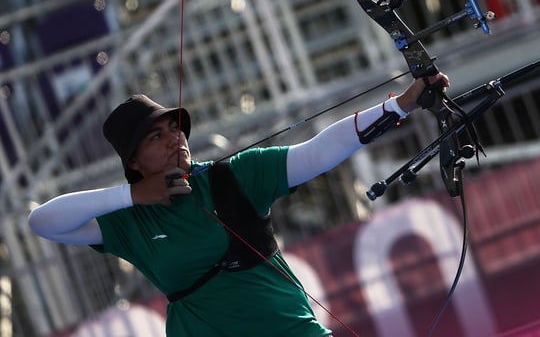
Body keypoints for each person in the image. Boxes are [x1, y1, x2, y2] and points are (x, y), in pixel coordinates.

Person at [28, 73, 449, 337]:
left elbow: (319, 152)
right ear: (134, 162)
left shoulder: (233, 176)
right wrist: (134, 196)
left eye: (175, 128)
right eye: (157, 136)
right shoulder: (129, 219)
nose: (176, 137)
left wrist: (401, 105)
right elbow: (42, 221)